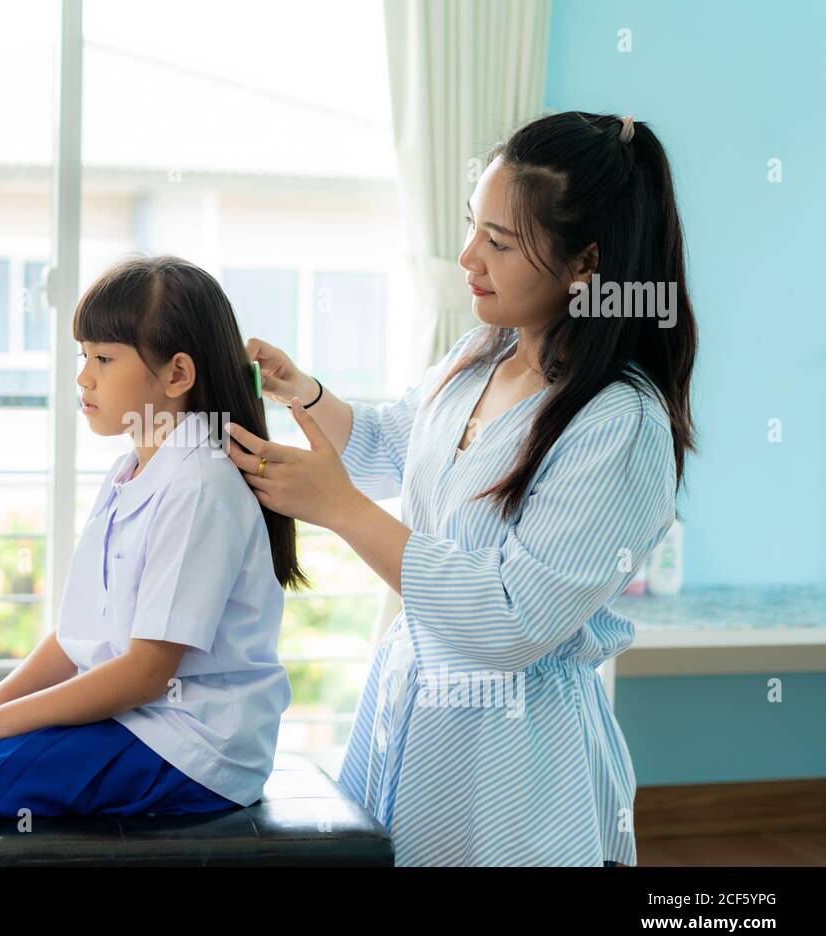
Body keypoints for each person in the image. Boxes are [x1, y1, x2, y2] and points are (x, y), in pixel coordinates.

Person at [223, 111, 697, 866]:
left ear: (587, 265)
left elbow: (510, 621)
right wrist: (302, 392)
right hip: (411, 711)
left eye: (499, 243)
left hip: (518, 760)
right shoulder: (480, 354)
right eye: (473, 227)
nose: (467, 256)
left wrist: (337, 508)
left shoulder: (621, 425)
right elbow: (391, 449)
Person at [0, 255, 303, 866]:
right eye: (82, 357)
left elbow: (147, 673)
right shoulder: (131, 472)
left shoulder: (201, 483)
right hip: (137, 724)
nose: (84, 379)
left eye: (105, 358)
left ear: (176, 374)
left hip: (190, 747)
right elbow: (73, 643)